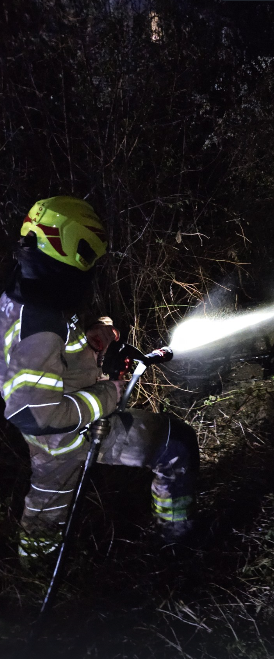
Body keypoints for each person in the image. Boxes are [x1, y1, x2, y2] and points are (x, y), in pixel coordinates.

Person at [0, 196, 199, 563]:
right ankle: (175, 545)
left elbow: (43, 357)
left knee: (44, 517)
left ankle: (33, 572)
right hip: (71, 436)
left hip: (58, 437)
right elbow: (33, 414)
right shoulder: (40, 320)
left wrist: (93, 335)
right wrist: (109, 393)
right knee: (177, 445)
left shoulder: (28, 291)